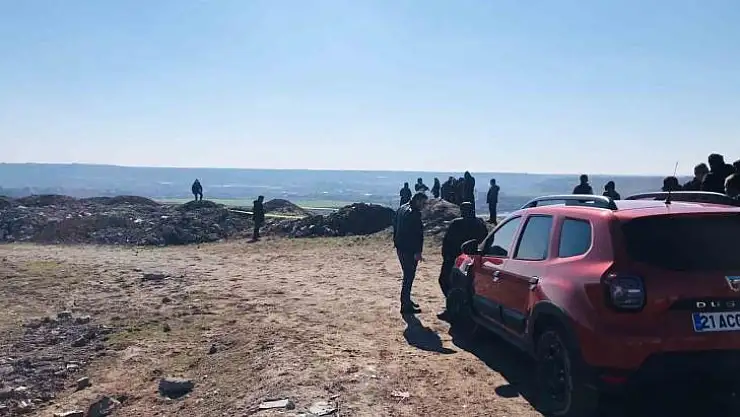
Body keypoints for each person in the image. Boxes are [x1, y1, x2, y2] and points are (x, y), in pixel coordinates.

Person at [437, 202, 488, 320]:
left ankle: (453, 309)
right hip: (475, 258)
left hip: (455, 259)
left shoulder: (457, 223)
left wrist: (446, 257)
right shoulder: (479, 223)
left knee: (446, 281)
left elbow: (447, 242)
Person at [393, 192, 428, 314]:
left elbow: (395, 226)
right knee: (408, 277)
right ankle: (405, 305)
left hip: (401, 248)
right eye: (423, 203)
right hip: (409, 251)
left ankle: (407, 300)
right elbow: (416, 235)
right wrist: (417, 252)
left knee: (407, 276)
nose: (424, 206)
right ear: (417, 200)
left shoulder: (402, 208)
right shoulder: (414, 214)